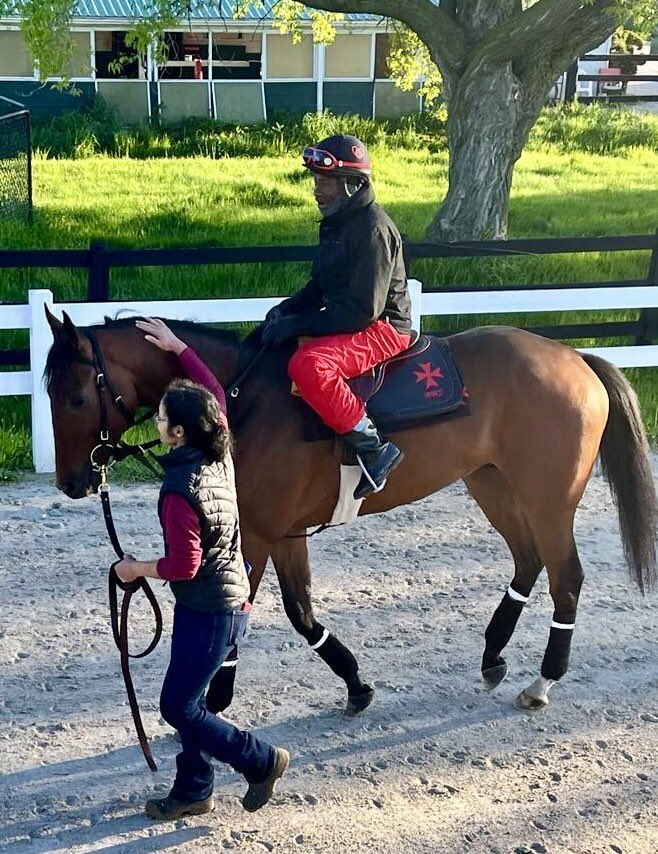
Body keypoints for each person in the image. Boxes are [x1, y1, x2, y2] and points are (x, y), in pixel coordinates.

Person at [114, 317, 289, 821]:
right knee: (193, 700)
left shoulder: (177, 492)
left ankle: (260, 760)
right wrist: (178, 348)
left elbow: (182, 564)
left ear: (178, 432)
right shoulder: (220, 451)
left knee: (179, 707)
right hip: (233, 600)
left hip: (208, 608)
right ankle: (195, 789)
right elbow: (214, 393)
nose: (155, 421)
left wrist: (135, 569)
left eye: (162, 416)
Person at [261, 134, 412, 499]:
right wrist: (285, 310)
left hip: (384, 327)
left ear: (350, 184)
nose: (317, 189)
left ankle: (374, 448)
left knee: (309, 365)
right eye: (316, 181)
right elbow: (319, 286)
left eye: (324, 182)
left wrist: (296, 325)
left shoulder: (373, 230)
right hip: (355, 317)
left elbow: (362, 312)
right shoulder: (339, 222)